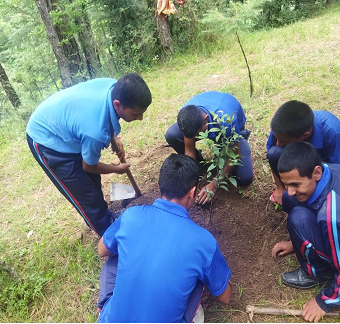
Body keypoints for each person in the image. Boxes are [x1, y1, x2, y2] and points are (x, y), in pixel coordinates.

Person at [97, 154, 232, 322]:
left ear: (159, 187)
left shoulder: (131, 215)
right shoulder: (203, 242)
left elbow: (102, 249)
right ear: (192, 192)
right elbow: (225, 297)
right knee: (199, 279)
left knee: (113, 258)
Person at [26, 73, 151, 236]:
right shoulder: (95, 132)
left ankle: (105, 216)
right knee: (85, 194)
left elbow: (104, 115)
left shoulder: (114, 87)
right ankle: (109, 232)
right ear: (118, 104)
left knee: (93, 183)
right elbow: (89, 166)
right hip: (47, 138)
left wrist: (114, 137)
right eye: (135, 114)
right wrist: (116, 169)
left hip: (72, 125)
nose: (140, 118)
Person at [270, 142, 340, 322]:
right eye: (286, 184)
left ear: (316, 173)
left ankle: (318, 273)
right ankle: (305, 241)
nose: (289, 190)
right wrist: (296, 243)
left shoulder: (332, 217)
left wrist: (325, 301)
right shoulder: (330, 171)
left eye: (295, 184)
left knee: (298, 218)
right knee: (290, 200)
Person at [165, 91, 253, 206]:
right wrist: (192, 180)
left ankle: (235, 141)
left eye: (197, 134)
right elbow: (189, 149)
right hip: (208, 113)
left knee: (244, 178)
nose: (196, 139)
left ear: (206, 120)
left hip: (232, 130)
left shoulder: (225, 122)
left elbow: (234, 157)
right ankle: (200, 164)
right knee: (172, 134)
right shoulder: (186, 116)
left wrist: (214, 184)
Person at [266, 100, 340, 205]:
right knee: (274, 153)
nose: (278, 143)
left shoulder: (331, 131)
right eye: (277, 139)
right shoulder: (282, 129)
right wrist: (280, 188)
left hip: (323, 167)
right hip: (300, 160)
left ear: (305, 135)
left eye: (284, 141)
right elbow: (271, 152)